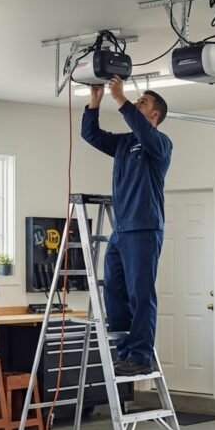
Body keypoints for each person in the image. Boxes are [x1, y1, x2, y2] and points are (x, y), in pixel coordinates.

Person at [81, 76, 171, 377]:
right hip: (120, 231)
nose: (136, 104)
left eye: (142, 103)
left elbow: (143, 131)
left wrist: (120, 99)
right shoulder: (124, 144)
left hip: (144, 229)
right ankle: (125, 353)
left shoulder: (159, 144)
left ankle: (142, 356)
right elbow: (90, 135)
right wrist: (95, 102)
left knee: (140, 293)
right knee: (115, 292)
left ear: (154, 115)